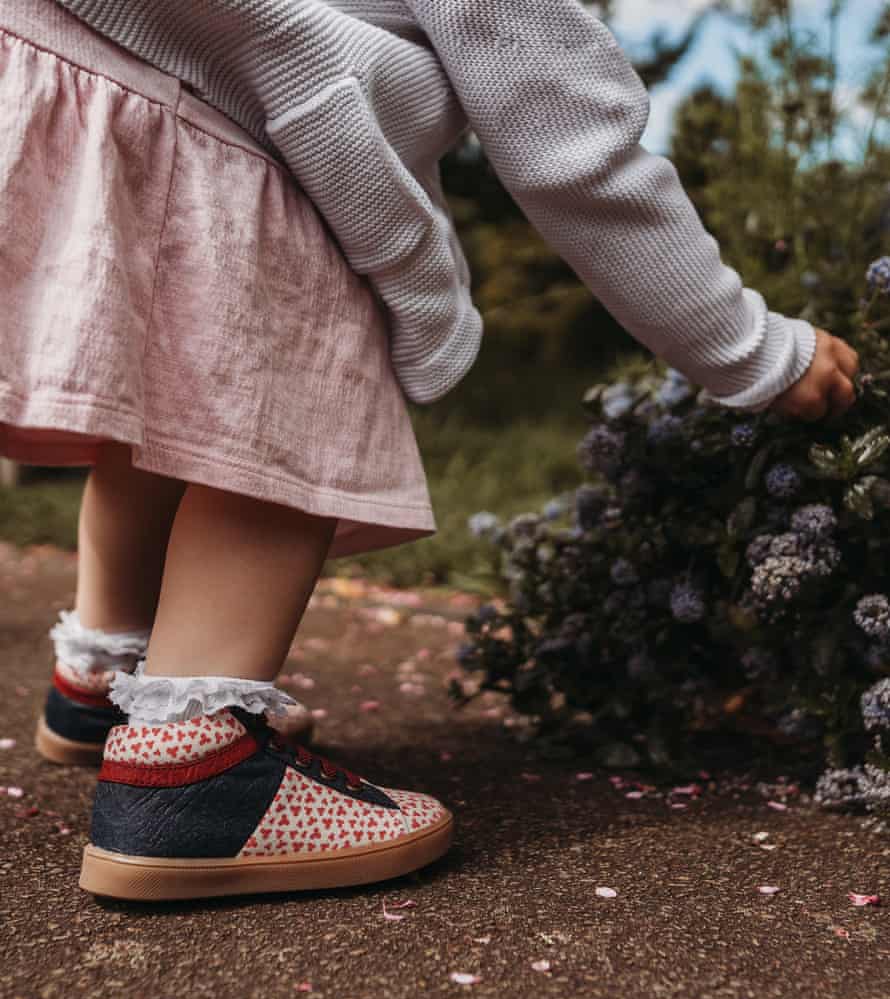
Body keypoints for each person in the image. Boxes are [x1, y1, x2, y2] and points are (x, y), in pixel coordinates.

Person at [0, 0, 859, 901]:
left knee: (172, 395)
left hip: (65, 49)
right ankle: (192, 770)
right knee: (280, 408)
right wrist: (754, 349)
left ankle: (101, 681)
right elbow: (575, 151)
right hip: (236, 113)